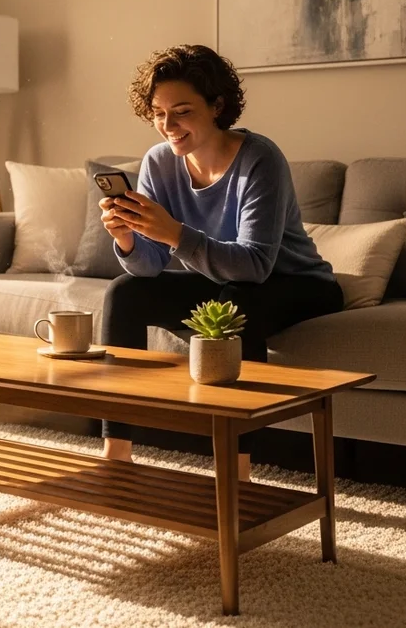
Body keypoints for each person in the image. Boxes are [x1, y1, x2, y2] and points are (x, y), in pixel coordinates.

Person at [98, 44, 343, 476]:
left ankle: (238, 465)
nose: (167, 126)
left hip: (299, 284)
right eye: (158, 112)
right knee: (125, 291)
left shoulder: (259, 160)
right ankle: (116, 453)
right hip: (224, 281)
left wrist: (173, 232)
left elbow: (255, 267)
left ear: (217, 106)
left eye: (182, 111)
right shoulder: (159, 162)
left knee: (234, 304)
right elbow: (151, 266)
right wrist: (129, 239)